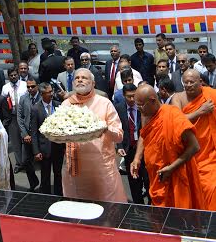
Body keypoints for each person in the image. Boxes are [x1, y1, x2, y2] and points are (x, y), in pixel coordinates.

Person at [131, 84, 203, 209]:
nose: (139, 109)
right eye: (137, 105)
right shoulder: (146, 114)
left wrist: (171, 168)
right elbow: (144, 134)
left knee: (179, 216)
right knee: (159, 216)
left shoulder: (173, 115)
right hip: (156, 176)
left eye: (141, 105)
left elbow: (194, 146)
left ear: (153, 100)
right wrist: (137, 158)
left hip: (176, 174)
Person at [61, 69, 127, 203]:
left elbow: (119, 136)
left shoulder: (104, 103)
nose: (80, 80)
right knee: (79, 209)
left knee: (106, 209)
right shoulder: (66, 104)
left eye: (84, 78)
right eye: (77, 78)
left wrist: (104, 128)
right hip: (75, 169)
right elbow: (57, 134)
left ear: (93, 83)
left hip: (101, 169)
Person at [173, 69, 216, 210]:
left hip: (209, 152)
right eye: (186, 82)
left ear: (200, 82)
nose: (189, 85)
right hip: (189, 152)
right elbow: (176, 121)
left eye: (192, 82)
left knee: (211, 186)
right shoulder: (178, 98)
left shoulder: (211, 95)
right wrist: (200, 112)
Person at [116, 84, 149, 204]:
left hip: (144, 148)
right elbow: (117, 128)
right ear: (123, 96)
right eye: (129, 97)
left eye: (134, 96)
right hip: (128, 149)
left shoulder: (143, 106)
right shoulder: (119, 108)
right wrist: (119, 146)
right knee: (133, 180)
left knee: (147, 177)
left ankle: (151, 205)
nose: (131, 99)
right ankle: (138, 206)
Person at [31, 82, 63, 195]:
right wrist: (36, 151)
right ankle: (46, 197)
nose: (51, 94)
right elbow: (34, 132)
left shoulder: (58, 105)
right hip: (44, 148)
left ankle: (59, 195)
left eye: (51, 91)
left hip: (58, 146)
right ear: (42, 94)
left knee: (58, 173)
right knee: (45, 175)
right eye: (48, 92)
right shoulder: (36, 109)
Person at [1, 67, 27, 172]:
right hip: (12, 117)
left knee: (25, 140)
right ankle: (19, 163)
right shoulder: (5, 87)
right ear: (8, 76)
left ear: (18, 75)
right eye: (11, 75)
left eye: (15, 74)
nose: (13, 77)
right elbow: (3, 102)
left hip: (24, 116)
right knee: (15, 142)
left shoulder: (24, 85)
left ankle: (27, 162)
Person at [17, 77, 41, 191]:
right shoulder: (23, 98)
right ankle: (33, 182)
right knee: (26, 161)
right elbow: (20, 118)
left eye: (33, 86)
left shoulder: (42, 98)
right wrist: (25, 134)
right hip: (27, 136)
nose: (30, 89)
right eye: (28, 87)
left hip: (40, 136)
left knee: (44, 162)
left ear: (37, 86)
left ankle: (45, 186)